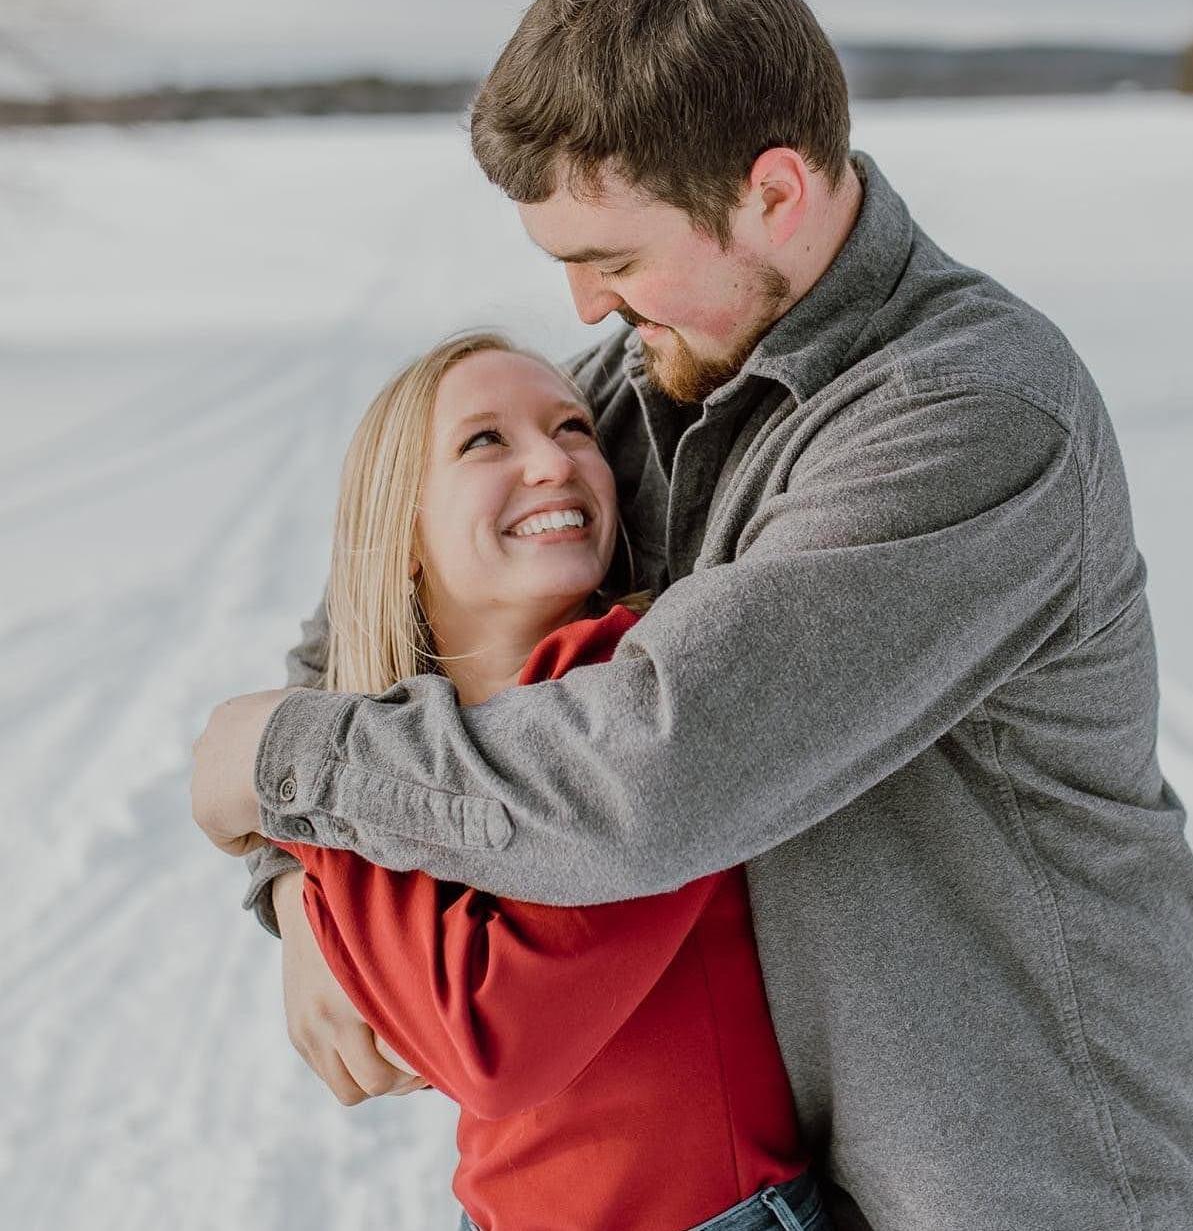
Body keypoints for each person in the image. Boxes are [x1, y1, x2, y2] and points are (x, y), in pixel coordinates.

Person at [191, 0, 1193, 1231]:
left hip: (1003, 1181)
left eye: (609, 259)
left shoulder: (968, 414)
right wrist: (295, 882)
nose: (582, 312)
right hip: (766, 1181)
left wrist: (286, 769)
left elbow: (653, 773)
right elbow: (378, 613)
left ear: (774, 192)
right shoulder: (641, 377)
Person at [267, 330, 830, 1231]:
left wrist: (297, 785)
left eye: (573, 428)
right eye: (484, 440)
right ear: (402, 531)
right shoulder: (414, 739)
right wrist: (303, 858)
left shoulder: (629, 692)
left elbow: (487, 1040)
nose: (553, 461)